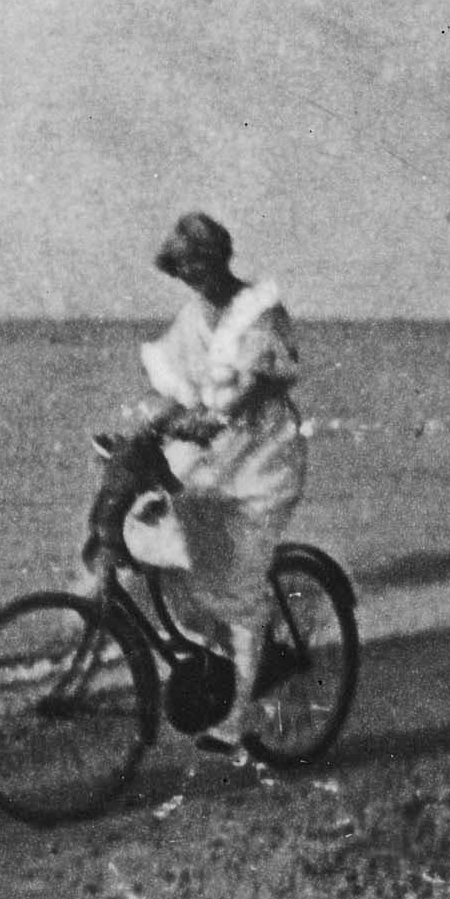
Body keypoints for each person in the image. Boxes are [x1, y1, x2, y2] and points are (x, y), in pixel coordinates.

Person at [134, 211, 306, 758]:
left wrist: (215, 415)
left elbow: (257, 385)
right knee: (161, 548)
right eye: (185, 270)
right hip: (212, 459)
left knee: (238, 589)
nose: (195, 278)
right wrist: (151, 423)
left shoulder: (259, 309)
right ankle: (225, 657)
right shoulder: (192, 318)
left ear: (221, 259)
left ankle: (240, 717)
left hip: (263, 460)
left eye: (202, 266)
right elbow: (181, 388)